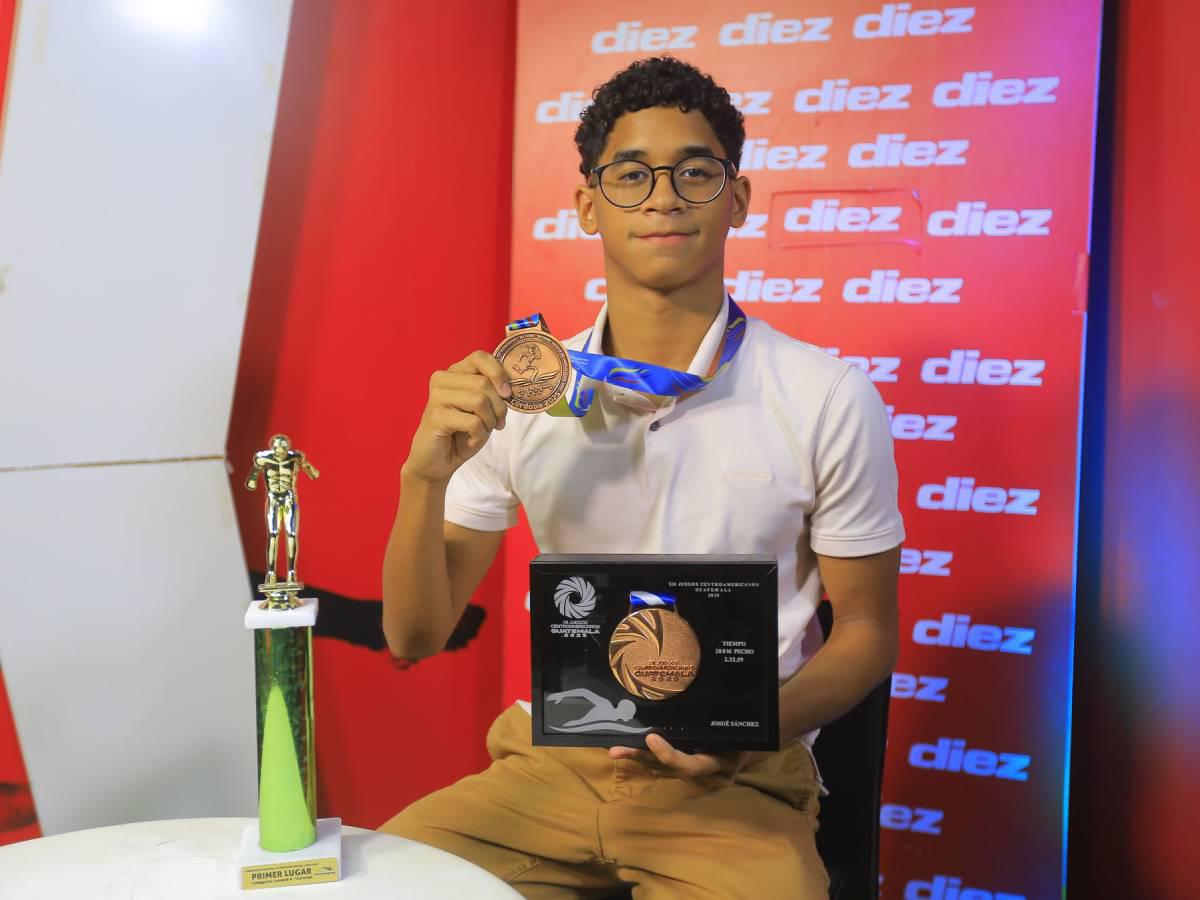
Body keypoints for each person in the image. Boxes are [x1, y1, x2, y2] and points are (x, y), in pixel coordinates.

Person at [379, 56, 903, 900]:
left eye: (694, 172)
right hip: (550, 767)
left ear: (737, 197)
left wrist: (752, 732)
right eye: (630, 175)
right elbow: (413, 638)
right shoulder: (522, 393)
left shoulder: (825, 395)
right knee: (379, 884)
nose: (664, 198)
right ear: (588, 204)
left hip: (736, 786)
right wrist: (422, 478)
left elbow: (868, 631)